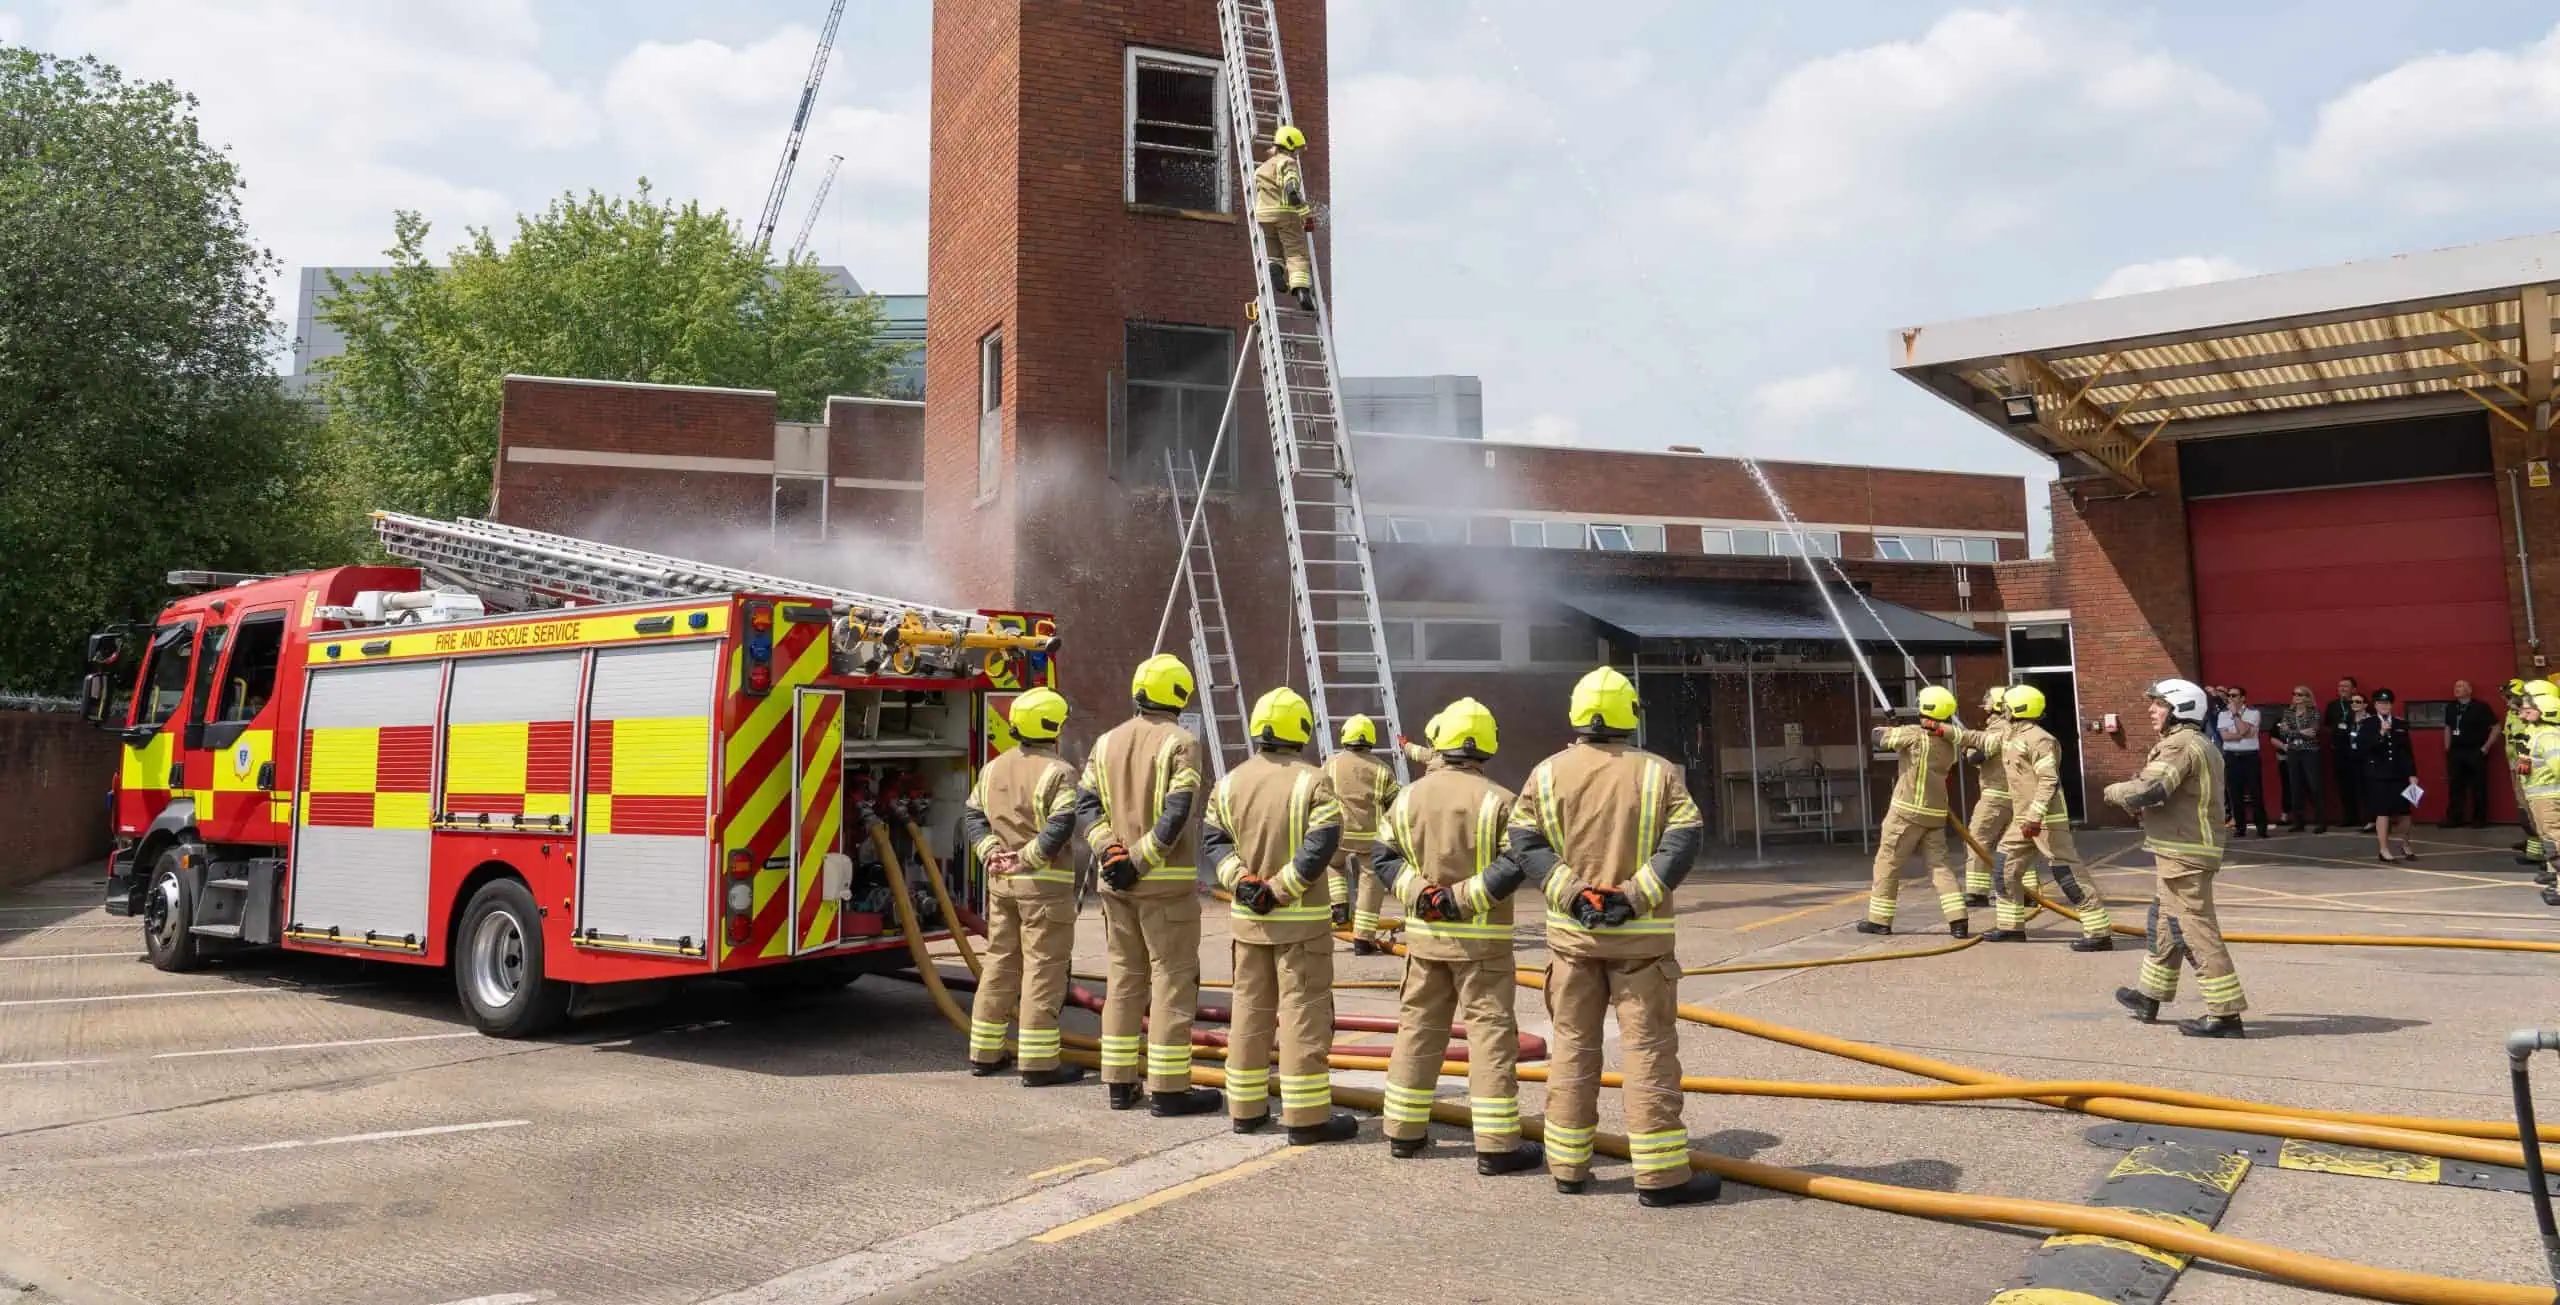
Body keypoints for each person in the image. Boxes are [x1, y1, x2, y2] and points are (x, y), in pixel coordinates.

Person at [1506, 666, 1719, 1207]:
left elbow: (1526, 843)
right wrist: (1633, 896)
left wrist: (1573, 894)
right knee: (1648, 1053)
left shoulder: (1547, 772)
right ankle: (1661, 1177)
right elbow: (1684, 840)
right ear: (1630, 715)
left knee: (1573, 1050)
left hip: (1572, 943)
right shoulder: (1659, 773)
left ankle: (1568, 1167)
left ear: (1577, 714)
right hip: (1642, 947)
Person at [1366, 698, 1542, 1175]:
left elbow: (1383, 858)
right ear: (1487, 744)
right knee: (1489, 1040)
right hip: (1481, 946)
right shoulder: (1502, 800)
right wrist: (1463, 898)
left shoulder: (1408, 797)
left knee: (1418, 1032)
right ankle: (1496, 1145)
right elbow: (1517, 862)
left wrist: (1422, 895)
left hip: (1423, 943)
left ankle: (1402, 1131)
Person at [1203, 687, 1359, 1144]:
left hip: (1248, 924)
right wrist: (1280, 889)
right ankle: (1306, 1118)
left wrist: (1244, 885)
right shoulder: (1314, 781)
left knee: (1249, 1014)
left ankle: (1246, 1111)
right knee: (1302, 1017)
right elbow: (1322, 843)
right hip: (1300, 926)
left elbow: (1214, 843)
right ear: (1302, 730)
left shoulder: (1229, 782)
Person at [1075, 654, 1222, 1117]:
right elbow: (1177, 813)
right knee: (1172, 984)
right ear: (1180, 695)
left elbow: (1086, 806)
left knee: (1124, 980)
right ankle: (1168, 1089)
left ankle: (1119, 1084)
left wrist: (1108, 853)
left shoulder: (1106, 742)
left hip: (1114, 885)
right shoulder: (1182, 743)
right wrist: (1138, 860)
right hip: (1164, 887)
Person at [959, 687, 1086, 1086]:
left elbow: (972, 816)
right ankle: (1038, 1064)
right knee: (1042, 973)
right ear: (1052, 727)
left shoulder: (994, 767)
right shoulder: (1060, 771)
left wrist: (990, 852)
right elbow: (1062, 824)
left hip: (1002, 886)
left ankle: (984, 1054)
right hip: (1043, 890)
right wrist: (1028, 857)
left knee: (999, 964)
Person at [2105, 679, 2246, 1038]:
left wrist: (2114, 791)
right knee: (2165, 924)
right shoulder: (2197, 744)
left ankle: (2225, 1015)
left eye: (2159, 704)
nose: (2151, 710)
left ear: (2180, 709)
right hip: (2178, 850)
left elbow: (2152, 789)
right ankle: (2149, 996)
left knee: (2195, 930)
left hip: (2186, 854)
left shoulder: (2181, 744)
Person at [1991, 684, 2113, 950]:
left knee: (2067, 874)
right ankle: (2010, 927)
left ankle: (2099, 933)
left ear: (2018, 708)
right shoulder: (2012, 734)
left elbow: (2049, 780)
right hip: (2023, 819)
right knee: (2004, 867)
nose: (2004, 710)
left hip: (2045, 820)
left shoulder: (2040, 740)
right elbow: (1981, 740)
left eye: (2007, 706)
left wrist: (2035, 817)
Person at [1861, 686, 1974, 938]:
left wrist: (1894, 729)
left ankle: (1879, 920)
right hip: (1934, 814)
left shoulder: (1913, 735)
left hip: (1906, 813)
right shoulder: (1949, 744)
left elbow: (1877, 737)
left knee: (1888, 863)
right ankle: (1958, 920)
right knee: (1940, 867)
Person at [1322, 714, 1400, 955]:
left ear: (1345, 736)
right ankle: (1363, 940)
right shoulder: (1383, 770)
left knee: (1333, 865)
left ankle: (1339, 906)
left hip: (1338, 834)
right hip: (1369, 837)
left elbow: (1319, 795)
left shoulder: (1330, 764)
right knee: (1371, 880)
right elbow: (1394, 804)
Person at [1253, 124, 1317, 312]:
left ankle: (1276, 269)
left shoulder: (1262, 168)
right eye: (1297, 149)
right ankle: (1301, 290)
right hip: (1285, 214)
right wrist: (1306, 216)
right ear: (1291, 146)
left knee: (1275, 251)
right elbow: (1292, 192)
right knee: (1297, 253)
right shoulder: (1287, 163)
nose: (1298, 153)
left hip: (1264, 216)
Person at [1961, 686, 2013, 908]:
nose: (1984, 702)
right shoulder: (2014, 728)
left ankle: (1976, 892)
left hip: (1996, 795)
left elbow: (1978, 757)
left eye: (1988, 699)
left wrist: (1968, 746)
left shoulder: (1997, 729)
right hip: (2017, 796)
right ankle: (2026, 892)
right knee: (2016, 846)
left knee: (1978, 841)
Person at [2359, 688, 2418, 861]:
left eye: (2387, 703)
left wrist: (2412, 774)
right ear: (2375, 705)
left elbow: (2407, 752)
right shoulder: (2368, 724)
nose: (2384, 706)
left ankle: (2405, 844)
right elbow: (2364, 749)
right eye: (2380, 703)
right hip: (2378, 774)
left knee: (2404, 812)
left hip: (2399, 774)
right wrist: (2381, 734)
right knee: (2382, 811)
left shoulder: (2400, 724)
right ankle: (2383, 849)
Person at [2518, 688, 2560, 900]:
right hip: (2541, 798)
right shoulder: (2540, 734)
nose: (2522, 715)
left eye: (2529, 710)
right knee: (2551, 841)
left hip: (2548, 799)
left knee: (2555, 841)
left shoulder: (2548, 736)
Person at [2443, 679, 2496, 828]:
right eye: (2455, 686)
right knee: (2455, 786)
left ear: (2470, 690)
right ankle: (2454, 818)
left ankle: (2479, 819)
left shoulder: (2481, 707)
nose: (2457, 689)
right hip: (2456, 751)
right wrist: (2447, 747)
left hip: (2475, 750)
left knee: (2478, 786)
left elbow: (2496, 727)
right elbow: (2447, 727)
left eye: (2460, 686)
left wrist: (2486, 747)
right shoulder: (2451, 707)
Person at [2272, 685, 2325, 834]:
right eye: (2294, 694)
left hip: (2310, 752)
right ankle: (2298, 821)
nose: (2296, 696)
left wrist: (2292, 731)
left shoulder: (2314, 712)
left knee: (2314, 786)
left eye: (2300, 694)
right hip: (2294, 752)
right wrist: (2300, 731)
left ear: (2307, 697)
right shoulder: (2288, 712)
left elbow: (2313, 732)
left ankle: (2320, 821)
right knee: (2295, 787)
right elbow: (2283, 733)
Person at [2216, 685, 2267, 838]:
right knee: (2235, 793)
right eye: (2229, 695)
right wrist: (2241, 733)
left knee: (2255, 792)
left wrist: (2236, 716)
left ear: (2242, 698)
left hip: (2250, 756)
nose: (2230, 698)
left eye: (2234, 695)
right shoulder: (2223, 715)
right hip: (2232, 756)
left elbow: (2248, 733)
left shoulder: (2253, 713)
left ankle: (2261, 828)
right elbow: (2226, 737)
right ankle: (2240, 828)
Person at [2504, 679, 2542, 862]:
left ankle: (2538, 852)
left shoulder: (2528, 715)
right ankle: (2534, 844)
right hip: (2516, 767)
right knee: (2524, 809)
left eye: (2509, 696)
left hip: (2526, 767)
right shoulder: (2512, 714)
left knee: (2530, 810)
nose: (2506, 699)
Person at [2324, 676, 2364, 830]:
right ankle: (2348, 816)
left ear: (2354, 689)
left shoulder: (2358, 702)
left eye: (2346, 686)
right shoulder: (2333, 706)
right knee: (2343, 785)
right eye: (2340, 686)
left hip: (2357, 750)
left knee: (2360, 784)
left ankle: (2366, 817)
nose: (2342, 689)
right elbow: (2327, 725)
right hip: (2339, 750)